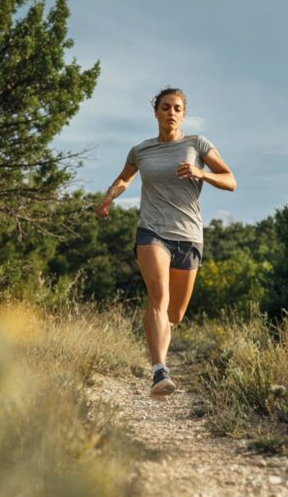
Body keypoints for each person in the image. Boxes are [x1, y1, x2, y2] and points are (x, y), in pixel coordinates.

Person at [96, 87, 236, 399]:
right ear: (156, 112)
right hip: (152, 230)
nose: (170, 112)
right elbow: (125, 178)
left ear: (183, 114)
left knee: (175, 314)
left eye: (176, 108)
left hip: (188, 235)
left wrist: (201, 173)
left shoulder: (197, 144)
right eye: (165, 107)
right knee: (158, 294)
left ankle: (158, 337)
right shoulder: (141, 150)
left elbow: (230, 180)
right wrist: (109, 196)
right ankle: (159, 371)